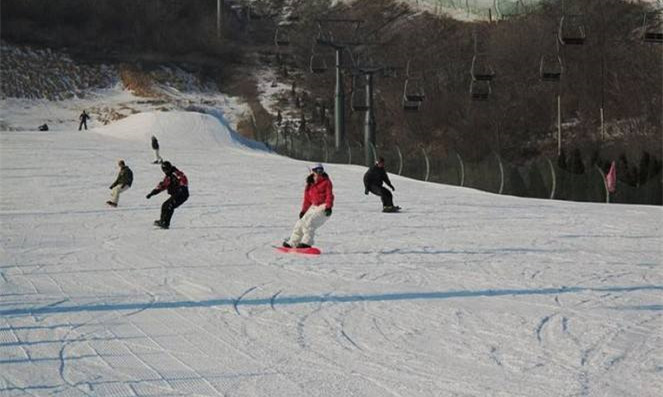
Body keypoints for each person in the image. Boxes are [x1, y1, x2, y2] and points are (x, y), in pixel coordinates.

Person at [283, 163, 334, 249]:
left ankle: (306, 243)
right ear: (312, 171)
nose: (319, 172)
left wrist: (328, 207)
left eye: (321, 170)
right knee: (300, 224)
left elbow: (330, 195)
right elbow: (307, 200)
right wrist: (303, 211)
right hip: (314, 207)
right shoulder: (309, 185)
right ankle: (293, 242)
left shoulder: (326, 182)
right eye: (317, 170)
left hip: (324, 207)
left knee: (309, 223)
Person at [146, 161, 189, 229]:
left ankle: (165, 223)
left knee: (169, 206)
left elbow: (183, 179)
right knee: (165, 205)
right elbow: (162, 185)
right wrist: (152, 193)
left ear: (170, 167)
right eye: (164, 170)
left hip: (182, 193)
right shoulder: (168, 177)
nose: (166, 171)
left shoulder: (176, 173)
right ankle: (162, 221)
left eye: (167, 169)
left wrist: (182, 187)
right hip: (176, 194)